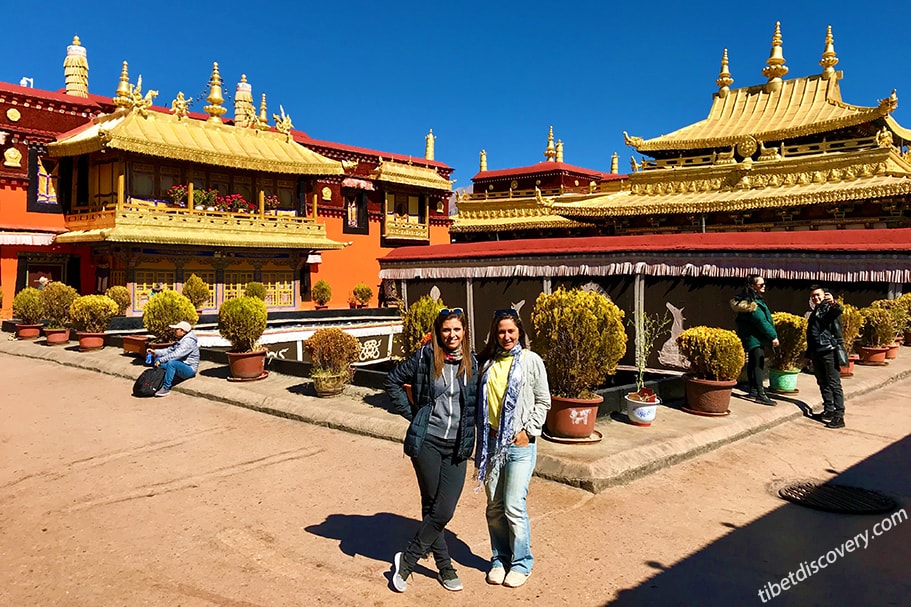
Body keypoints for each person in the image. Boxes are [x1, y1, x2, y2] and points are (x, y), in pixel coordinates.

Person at [385, 307, 477, 593]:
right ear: (439, 332)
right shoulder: (425, 357)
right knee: (432, 504)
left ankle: (407, 559)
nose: (452, 335)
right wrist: (414, 414)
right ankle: (445, 567)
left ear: (464, 332)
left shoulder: (472, 363)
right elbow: (392, 381)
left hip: (457, 446)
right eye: (447, 329)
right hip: (428, 443)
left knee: (442, 509)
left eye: (457, 329)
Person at [475, 308, 550, 589]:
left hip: (519, 445)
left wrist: (528, 432)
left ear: (519, 332)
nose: (506, 336)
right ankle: (499, 559)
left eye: (511, 331)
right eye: (501, 331)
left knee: (513, 505)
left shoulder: (531, 361)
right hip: (491, 443)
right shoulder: (487, 363)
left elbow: (543, 400)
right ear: (495, 334)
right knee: (494, 506)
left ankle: (521, 563)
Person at [730, 274, 779, 405]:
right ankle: (760, 393)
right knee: (758, 364)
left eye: (764, 284)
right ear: (753, 286)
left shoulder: (750, 300)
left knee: (753, 362)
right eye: (761, 285)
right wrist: (773, 336)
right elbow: (761, 321)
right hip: (754, 338)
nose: (764, 286)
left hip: (752, 337)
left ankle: (753, 390)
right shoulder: (752, 304)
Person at [806, 286, 846, 429]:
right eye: (813, 296)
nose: (816, 298)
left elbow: (838, 311)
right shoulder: (815, 311)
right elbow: (811, 334)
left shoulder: (828, 309)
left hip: (828, 350)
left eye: (818, 295)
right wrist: (808, 354)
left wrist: (834, 303)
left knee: (834, 383)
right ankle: (829, 410)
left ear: (824, 295)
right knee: (822, 382)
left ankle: (839, 416)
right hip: (817, 352)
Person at [146, 321, 199, 397]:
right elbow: (169, 350)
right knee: (157, 360)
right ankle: (158, 381)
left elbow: (176, 355)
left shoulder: (188, 342)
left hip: (189, 369)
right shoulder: (181, 340)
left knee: (171, 363)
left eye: (177, 329)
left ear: (183, 331)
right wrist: (155, 352)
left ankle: (166, 388)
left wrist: (161, 360)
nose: (175, 331)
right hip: (179, 364)